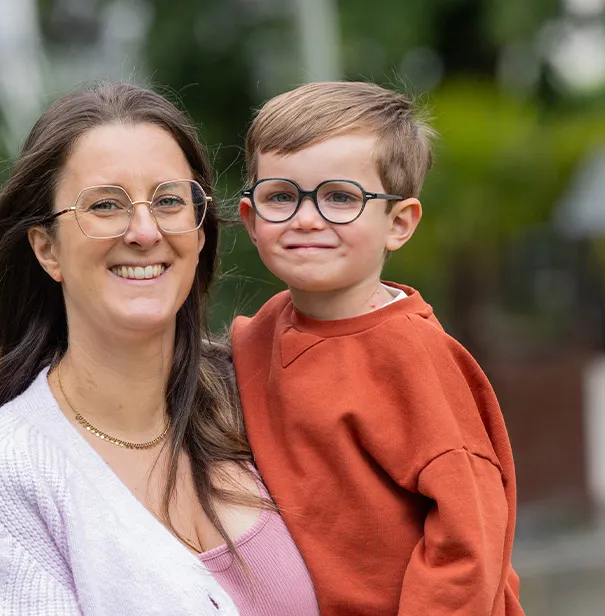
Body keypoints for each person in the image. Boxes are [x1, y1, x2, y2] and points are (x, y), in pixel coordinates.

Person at [0, 82, 319, 616]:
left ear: (199, 233)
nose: (144, 231)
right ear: (47, 249)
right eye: (105, 205)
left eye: (168, 201)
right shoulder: (7, 475)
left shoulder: (261, 399)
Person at [231, 80, 524, 615]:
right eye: (281, 196)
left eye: (340, 197)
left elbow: (470, 540)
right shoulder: (261, 334)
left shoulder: (414, 356)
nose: (306, 218)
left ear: (399, 223)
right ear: (251, 220)